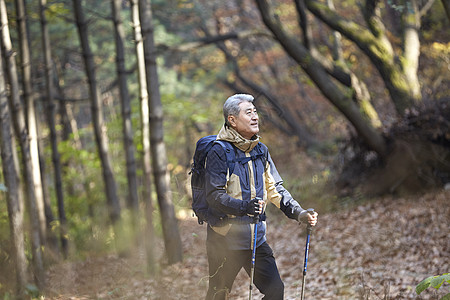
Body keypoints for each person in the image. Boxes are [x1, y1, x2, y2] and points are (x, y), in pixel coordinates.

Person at [204, 93, 318, 299]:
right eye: (249, 113)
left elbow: (276, 191)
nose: (255, 116)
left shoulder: (261, 151)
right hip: (224, 242)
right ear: (232, 120)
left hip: (255, 240)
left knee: (276, 291)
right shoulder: (219, 152)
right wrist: (244, 207)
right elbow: (214, 195)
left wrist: (299, 213)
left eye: (255, 112)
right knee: (217, 295)